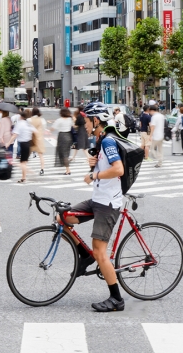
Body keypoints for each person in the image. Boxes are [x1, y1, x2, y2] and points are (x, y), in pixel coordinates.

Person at [62, 105, 125, 312]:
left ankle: (116, 299)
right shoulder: (100, 140)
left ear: (96, 120)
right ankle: (85, 256)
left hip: (107, 204)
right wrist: (95, 164)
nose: (84, 126)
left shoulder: (107, 141)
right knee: (62, 218)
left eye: (86, 121)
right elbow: (106, 166)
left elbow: (118, 169)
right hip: (98, 199)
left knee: (99, 251)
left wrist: (94, 174)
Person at [8, 109, 35, 184]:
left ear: (21, 116)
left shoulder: (20, 124)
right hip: (28, 144)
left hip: (23, 144)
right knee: (24, 162)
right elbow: (35, 131)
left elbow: (15, 135)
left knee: (22, 163)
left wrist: (8, 143)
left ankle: (28, 171)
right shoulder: (28, 123)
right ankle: (23, 177)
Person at [53, 108, 74, 176]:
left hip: (62, 136)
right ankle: (67, 169)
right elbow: (74, 126)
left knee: (63, 154)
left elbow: (53, 128)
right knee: (66, 153)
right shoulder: (70, 119)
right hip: (69, 136)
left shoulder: (59, 120)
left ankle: (68, 170)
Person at [28, 107, 46, 175]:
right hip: (39, 138)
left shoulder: (29, 120)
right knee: (41, 155)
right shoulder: (42, 120)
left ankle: (25, 169)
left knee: (27, 154)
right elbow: (44, 128)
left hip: (31, 138)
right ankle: (42, 169)